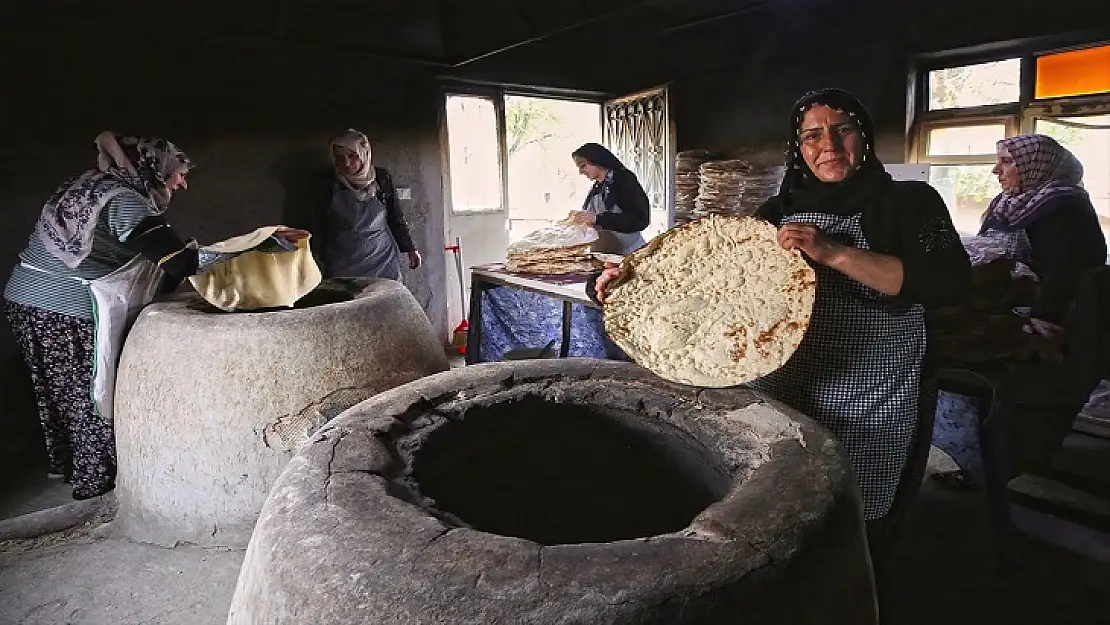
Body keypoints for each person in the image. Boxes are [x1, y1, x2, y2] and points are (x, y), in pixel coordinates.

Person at [596, 88, 972, 528]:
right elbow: (719, 288)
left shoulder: (910, 202)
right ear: (799, 147)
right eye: (812, 136)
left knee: (854, 512)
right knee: (787, 503)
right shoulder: (778, 210)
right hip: (784, 386)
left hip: (872, 393)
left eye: (842, 130)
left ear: (864, 137)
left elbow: (949, 283)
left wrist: (834, 253)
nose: (828, 146)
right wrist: (626, 284)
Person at [3, 132, 307, 500]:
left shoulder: (90, 185)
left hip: (24, 296)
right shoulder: (127, 203)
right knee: (89, 394)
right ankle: (94, 481)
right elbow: (180, 263)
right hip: (63, 307)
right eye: (177, 173)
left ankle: (71, 468)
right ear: (152, 170)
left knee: (58, 391)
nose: (183, 182)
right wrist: (258, 244)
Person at [931, 134, 1107, 490]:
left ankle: (991, 464)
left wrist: (1043, 319)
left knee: (996, 384)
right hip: (1008, 306)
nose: (997, 170)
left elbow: (1066, 273)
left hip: (1052, 322)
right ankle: (988, 459)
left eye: (1007, 161)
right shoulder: (1016, 203)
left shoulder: (1062, 208)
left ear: (1035, 165)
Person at [300, 129, 420, 281]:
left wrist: (410, 248)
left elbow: (395, 216)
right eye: (340, 157)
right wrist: (312, 257)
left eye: (352, 156)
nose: (346, 163)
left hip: (381, 259)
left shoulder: (381, 178)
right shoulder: (326, 183)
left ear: (364, 154)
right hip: (342, 261)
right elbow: (315, 224)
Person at [567, 143, 650, 255]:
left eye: (583, 166)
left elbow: (639, 220)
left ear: (596, 160)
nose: (581, 172)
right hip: (605, 254)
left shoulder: (624, 180)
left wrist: (598, 219)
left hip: (628, 254)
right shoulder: (598, 186)